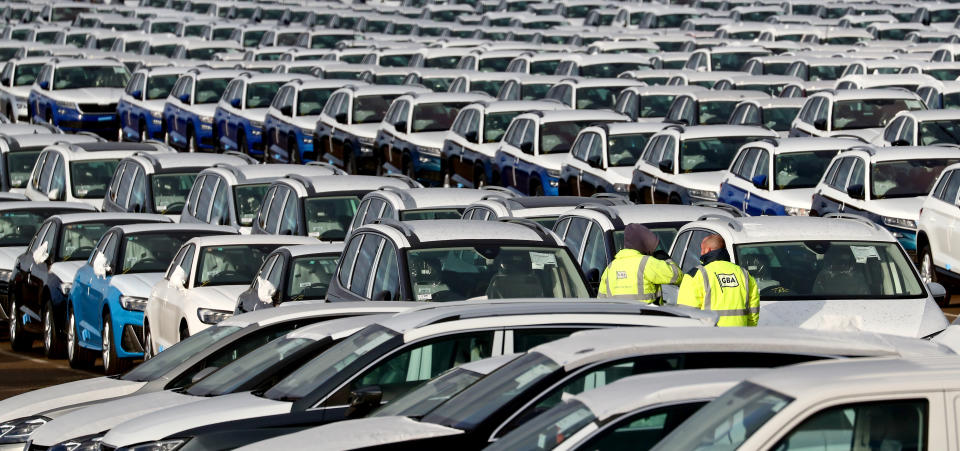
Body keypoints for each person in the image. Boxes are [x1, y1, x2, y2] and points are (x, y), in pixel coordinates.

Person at [678, 234, 760, 327]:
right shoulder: (744, 274)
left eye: (702, 249)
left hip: (710, 337)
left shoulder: (696, 274)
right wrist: (747, 331)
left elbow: (687, 313)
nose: (701, 253)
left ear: (707, 250)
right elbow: (753, 311)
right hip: (740, 336)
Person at [598, 223, 682, 303]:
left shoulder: (610, 268)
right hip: (647, 316)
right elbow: (677, 276)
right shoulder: (647, 263)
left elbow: (601, 302)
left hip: (617, 317)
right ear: (643, 243)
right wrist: (666, 259)